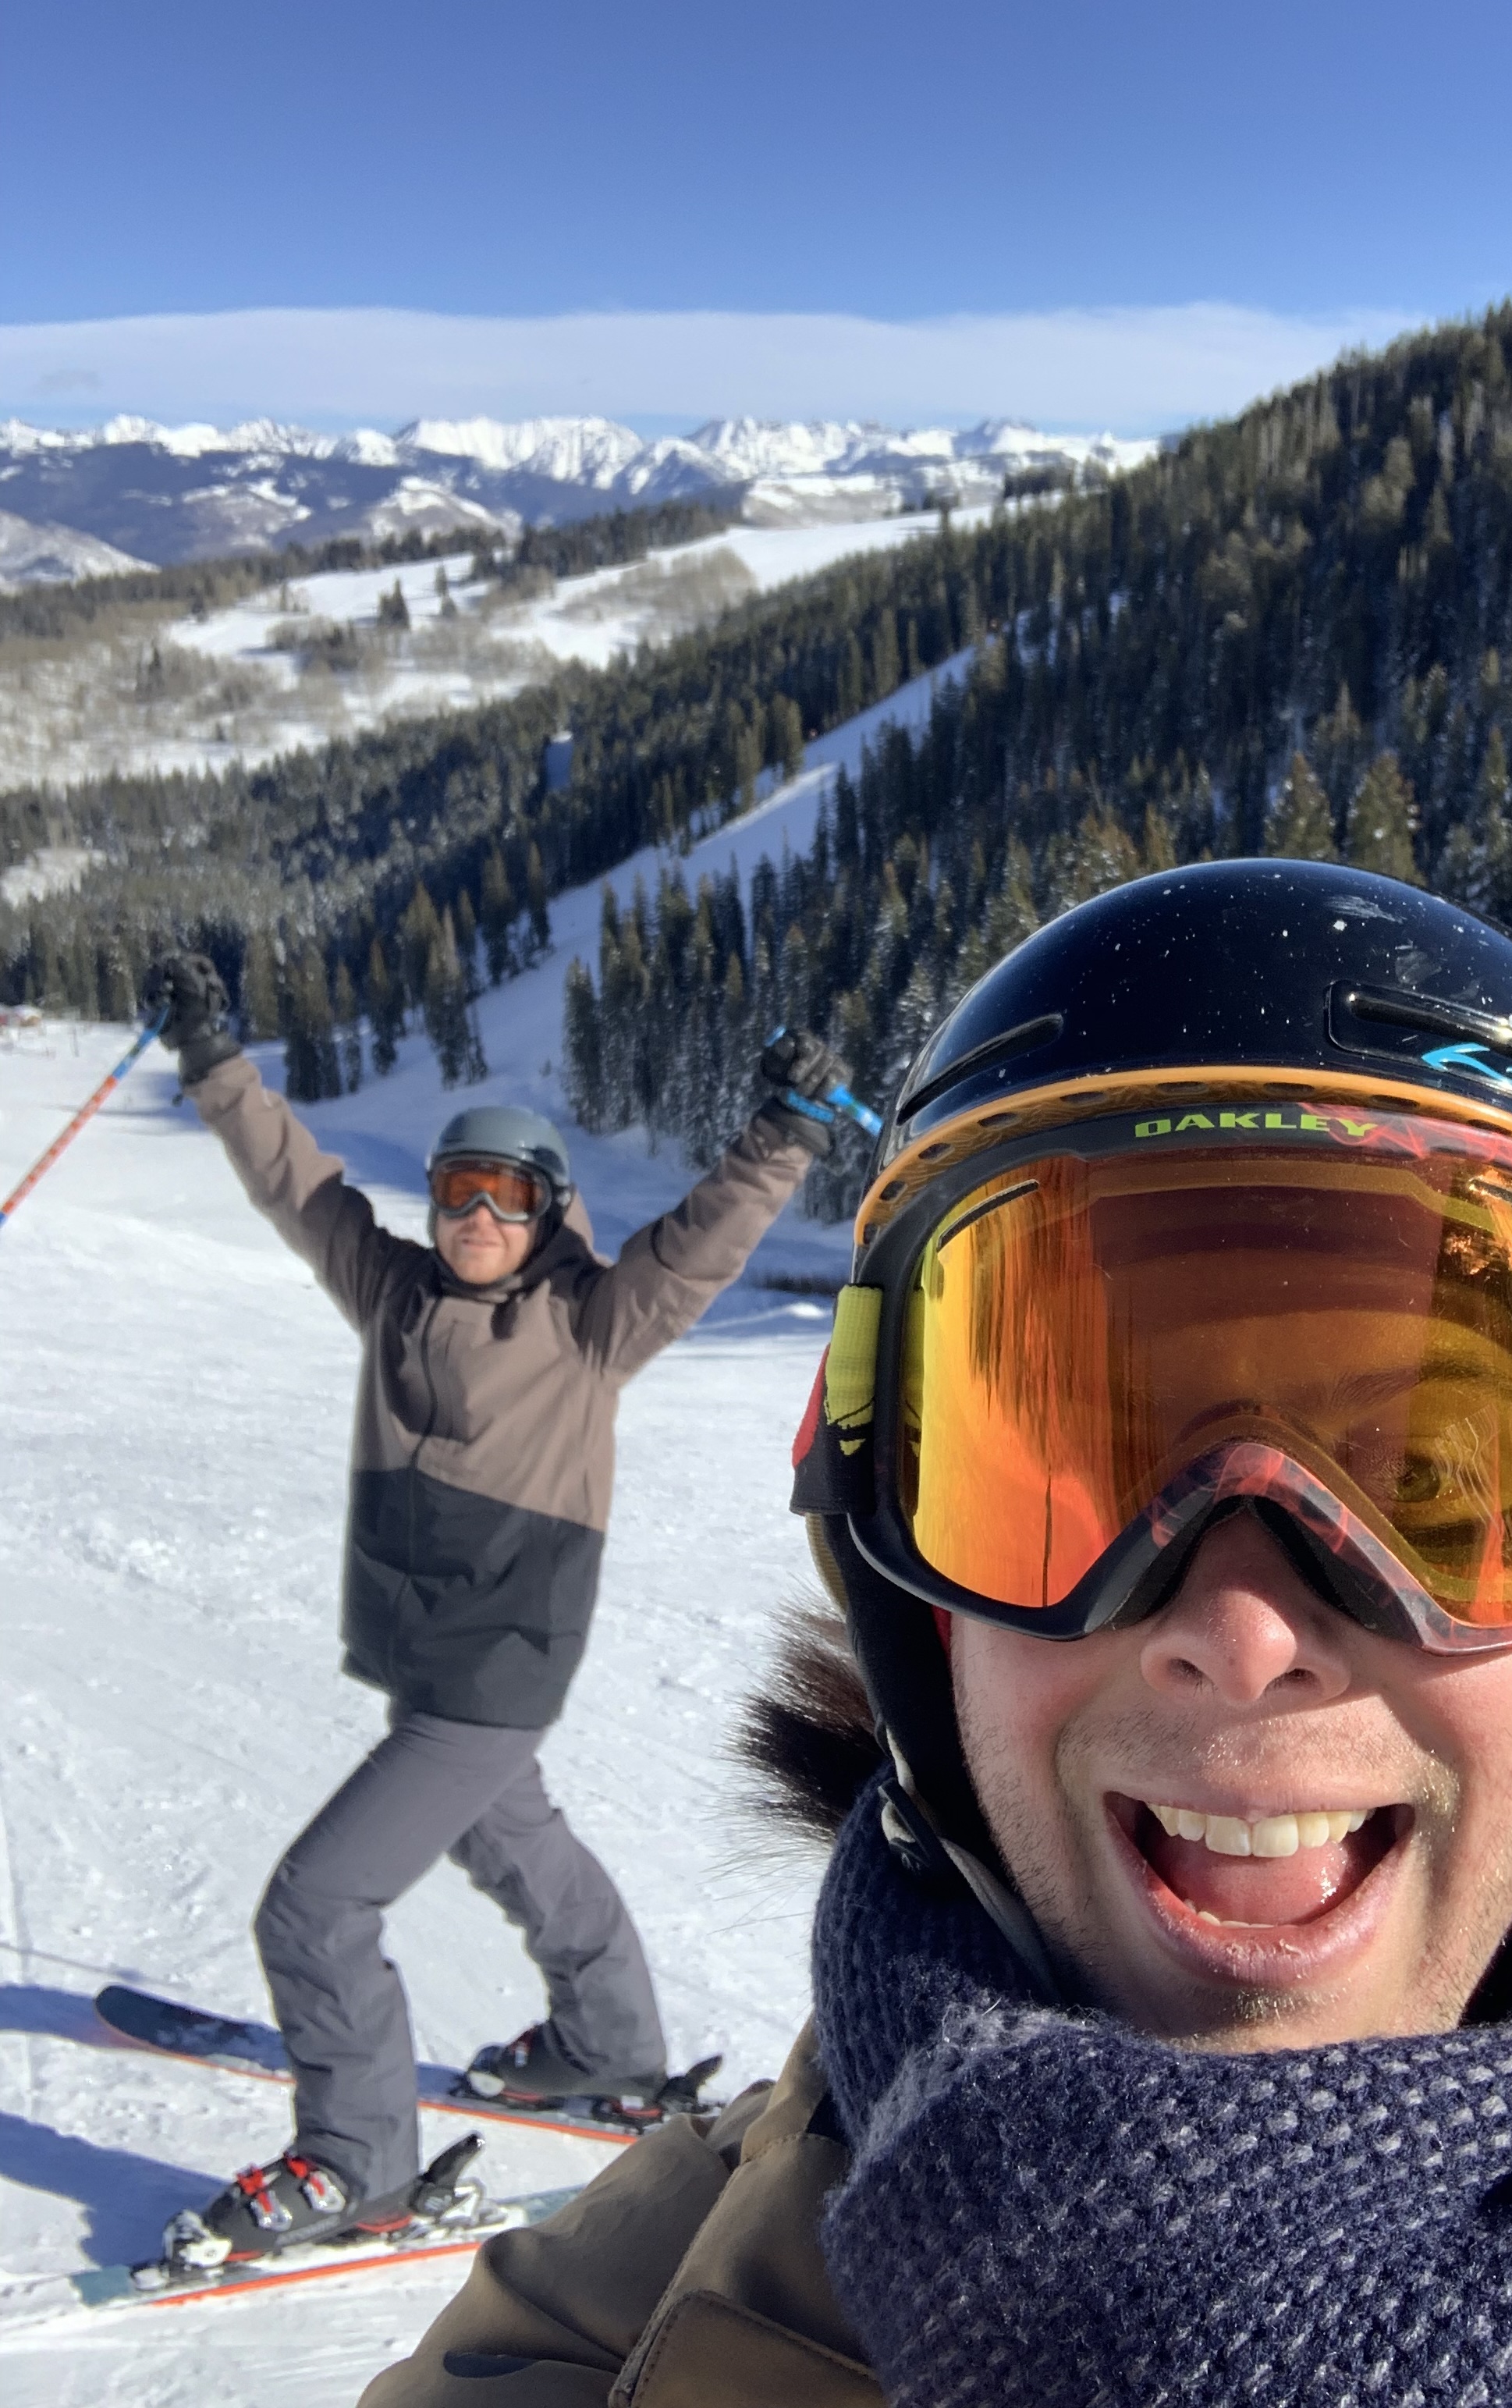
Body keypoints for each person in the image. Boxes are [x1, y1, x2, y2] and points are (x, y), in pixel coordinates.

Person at [362, 861, 1512, 2408]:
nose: (1243, 1631)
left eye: (1441, 1485)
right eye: (1080, 1474)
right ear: (914, 1613)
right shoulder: (607, 2342)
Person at [140, 950, 846, 2275]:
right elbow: (297, 1180)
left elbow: (696, 1242)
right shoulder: (395, 1290)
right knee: (511, 1836)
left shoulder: (588, 1322)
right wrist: (210, 1056)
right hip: (437, 1667)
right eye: (460, 1187)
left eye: (507, 1193)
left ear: (546, 1211)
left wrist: (784, 1133)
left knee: (316, 1905)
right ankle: (611, 2044)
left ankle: (358, 2159)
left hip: (493, 1669)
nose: (476, 1213)